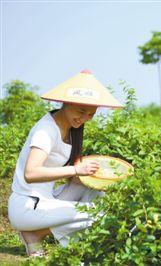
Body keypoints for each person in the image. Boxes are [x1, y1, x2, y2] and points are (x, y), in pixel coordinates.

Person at [7, 70, 123, 256]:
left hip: (46, 200)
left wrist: (98, 177)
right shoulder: (46, 130)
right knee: (99, 213)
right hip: (27, 205)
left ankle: (54, 238)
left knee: (96, 194)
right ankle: (34, 234)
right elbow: (31, 173)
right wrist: (76, 169)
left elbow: (74, 179)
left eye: (91, 114)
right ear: (66, 103)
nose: (84, 118)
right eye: (81, 111)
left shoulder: (71, 130)